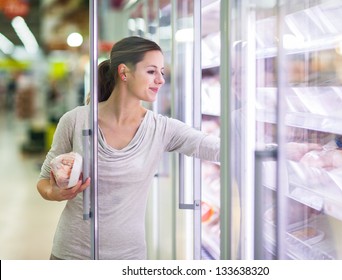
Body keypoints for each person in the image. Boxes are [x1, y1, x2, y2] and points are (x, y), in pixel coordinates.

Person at [36, 36, 220, 260]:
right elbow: (44, 181)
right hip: (72, 253)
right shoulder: (75, 120)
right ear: (124, 73)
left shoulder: (161, 128)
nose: (161, 80)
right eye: (152, 71)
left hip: (128, 257)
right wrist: (55, 192)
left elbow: (208, 146)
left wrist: (257, 141)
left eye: (162, 72)